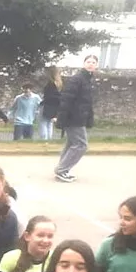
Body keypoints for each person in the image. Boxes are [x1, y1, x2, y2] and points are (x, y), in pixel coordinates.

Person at [53, 54, 98, 183]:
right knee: (81, 145)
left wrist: (89, 118)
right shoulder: (77, 79)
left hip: (79, 118)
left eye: (93, 62)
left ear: (96, 65)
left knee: (72, 143)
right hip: (73, 118)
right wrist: (61, 118)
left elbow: (87, 103)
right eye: (88, 61)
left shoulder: (87, 80)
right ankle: (62, 170)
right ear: (84, 63)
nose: (91, 64)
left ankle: (62, 169)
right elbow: (66, 99)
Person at [40, 66, 61, 141]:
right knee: (49, 124)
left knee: (44, 123)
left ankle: (44, 139)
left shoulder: (50, 84)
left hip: (47, 105)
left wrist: (42, 102)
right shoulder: (59, 84)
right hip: (55, 106)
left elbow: (48, 96)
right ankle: (49, 139)